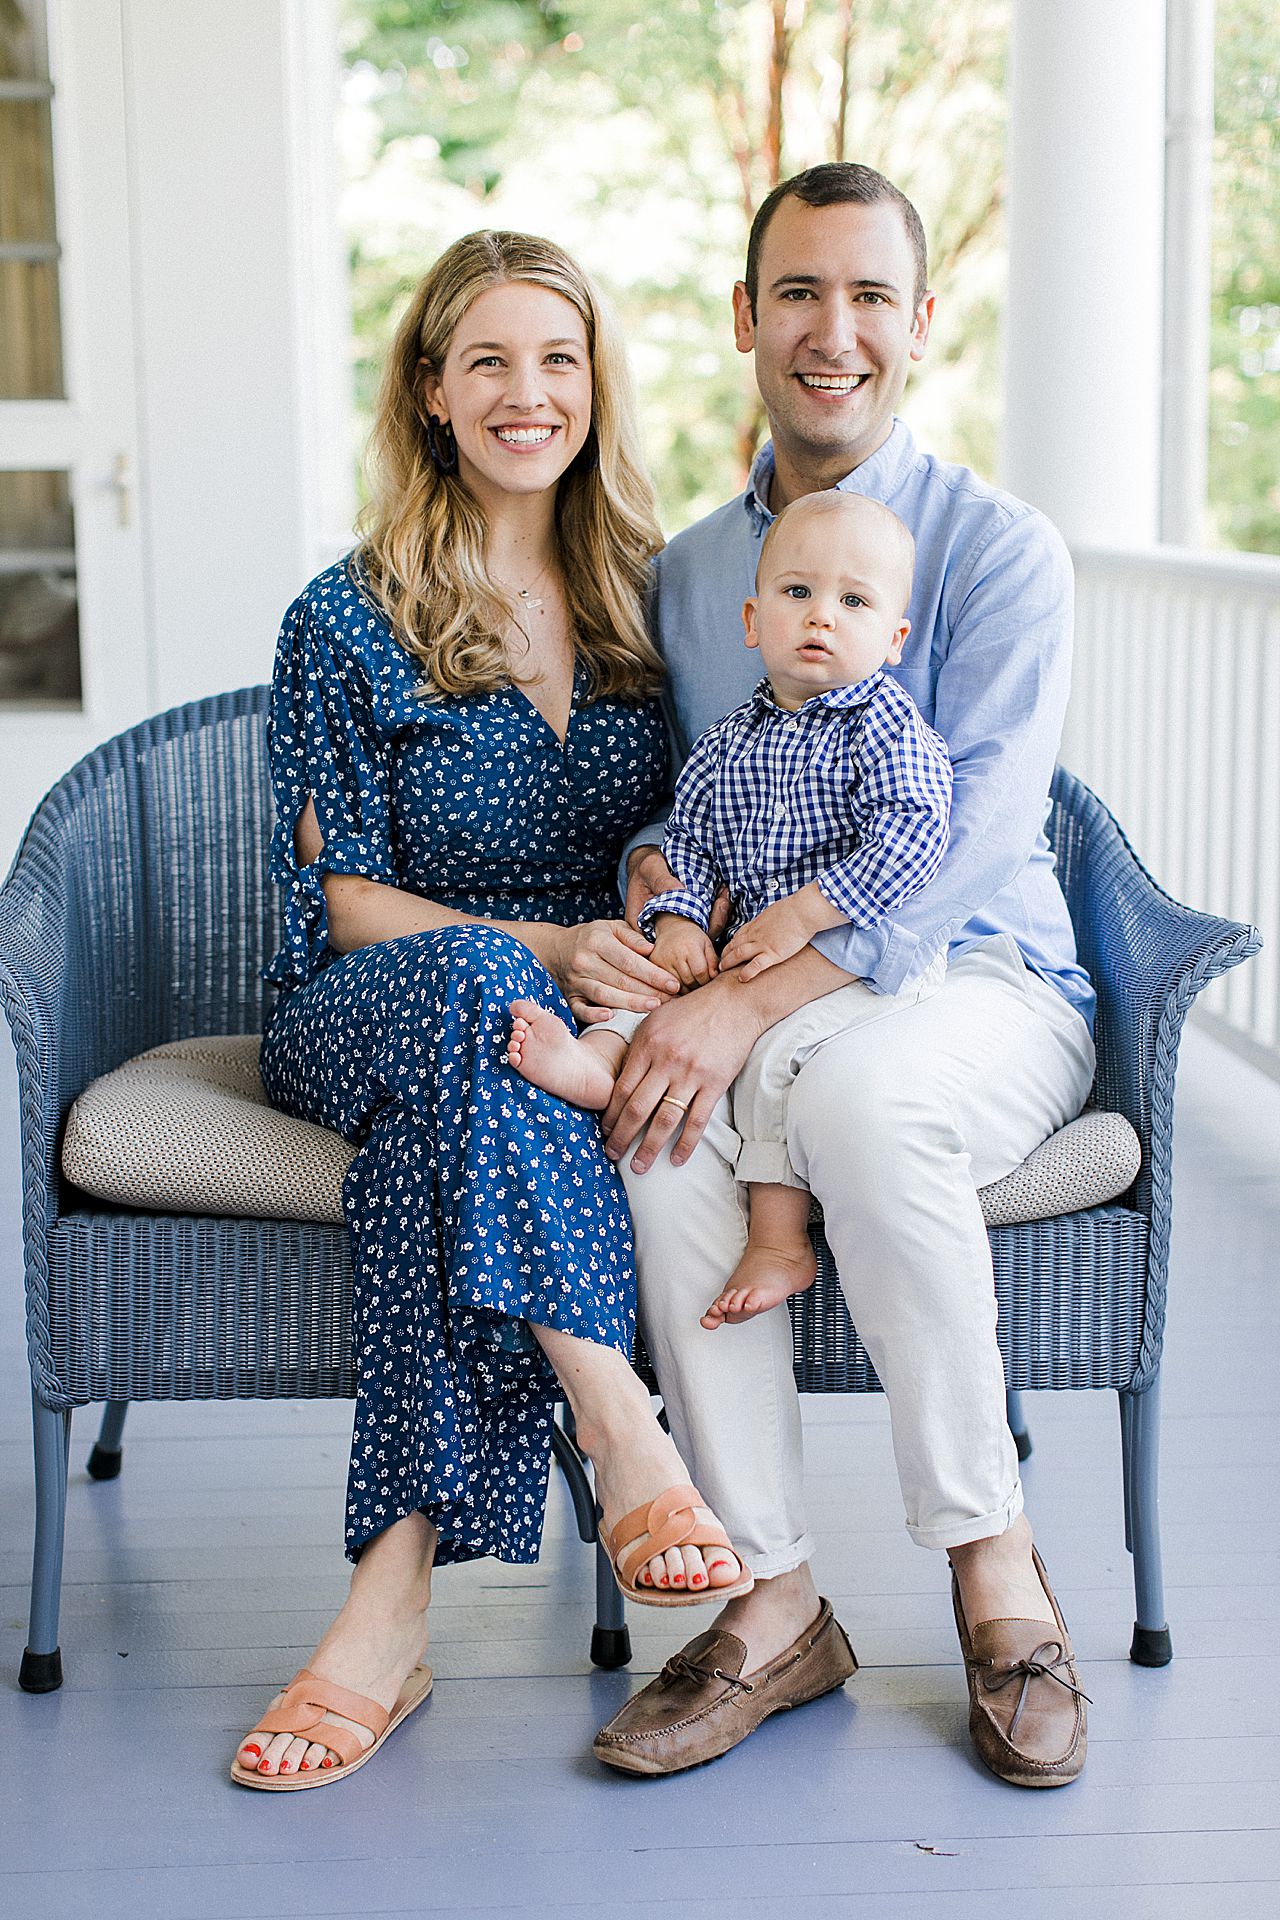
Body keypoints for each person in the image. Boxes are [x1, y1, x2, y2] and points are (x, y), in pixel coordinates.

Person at [591, 164, 1097, 1790]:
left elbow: (980, 830)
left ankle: (993, 1569)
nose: (835, 331)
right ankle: (771, 1601)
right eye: (799, 291)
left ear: (921, 326)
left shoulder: (1000, 553)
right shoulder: (687, 578)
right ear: (747, 321)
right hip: (761, 976)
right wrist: (666, 910)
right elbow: (697, 805)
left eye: (872, 294)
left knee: (872, 1099)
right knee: (656, 1125)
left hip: (983, 984)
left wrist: (749, 996)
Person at [231, 230, 752, 1792]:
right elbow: (349, 905)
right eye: (491, 363)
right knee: (472, 984)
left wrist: (661, 935)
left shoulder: (656, 605)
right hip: (356, 1010)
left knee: (446, 1134)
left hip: (531, 1052)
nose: (530, 394)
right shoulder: (347, 616)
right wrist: (554, 941)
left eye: (560, 359)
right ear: (432, 393)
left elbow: (712, 824)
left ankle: (384, 1622)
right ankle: (617, 1419)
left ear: (596, 386)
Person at [506, 488, 952, 1331]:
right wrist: (674, 919)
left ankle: (780, 1237)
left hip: (848, 961)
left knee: (781, 1054)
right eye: (797, 593)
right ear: (754, 620)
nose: (822, 616)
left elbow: (915, 838)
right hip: (744, 950)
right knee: (652, 1000)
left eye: (854, 602)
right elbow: (693, 846)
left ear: (894, 641)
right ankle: (597, 1063)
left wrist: (807, 913)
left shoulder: (887, 730)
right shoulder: (725, 744)